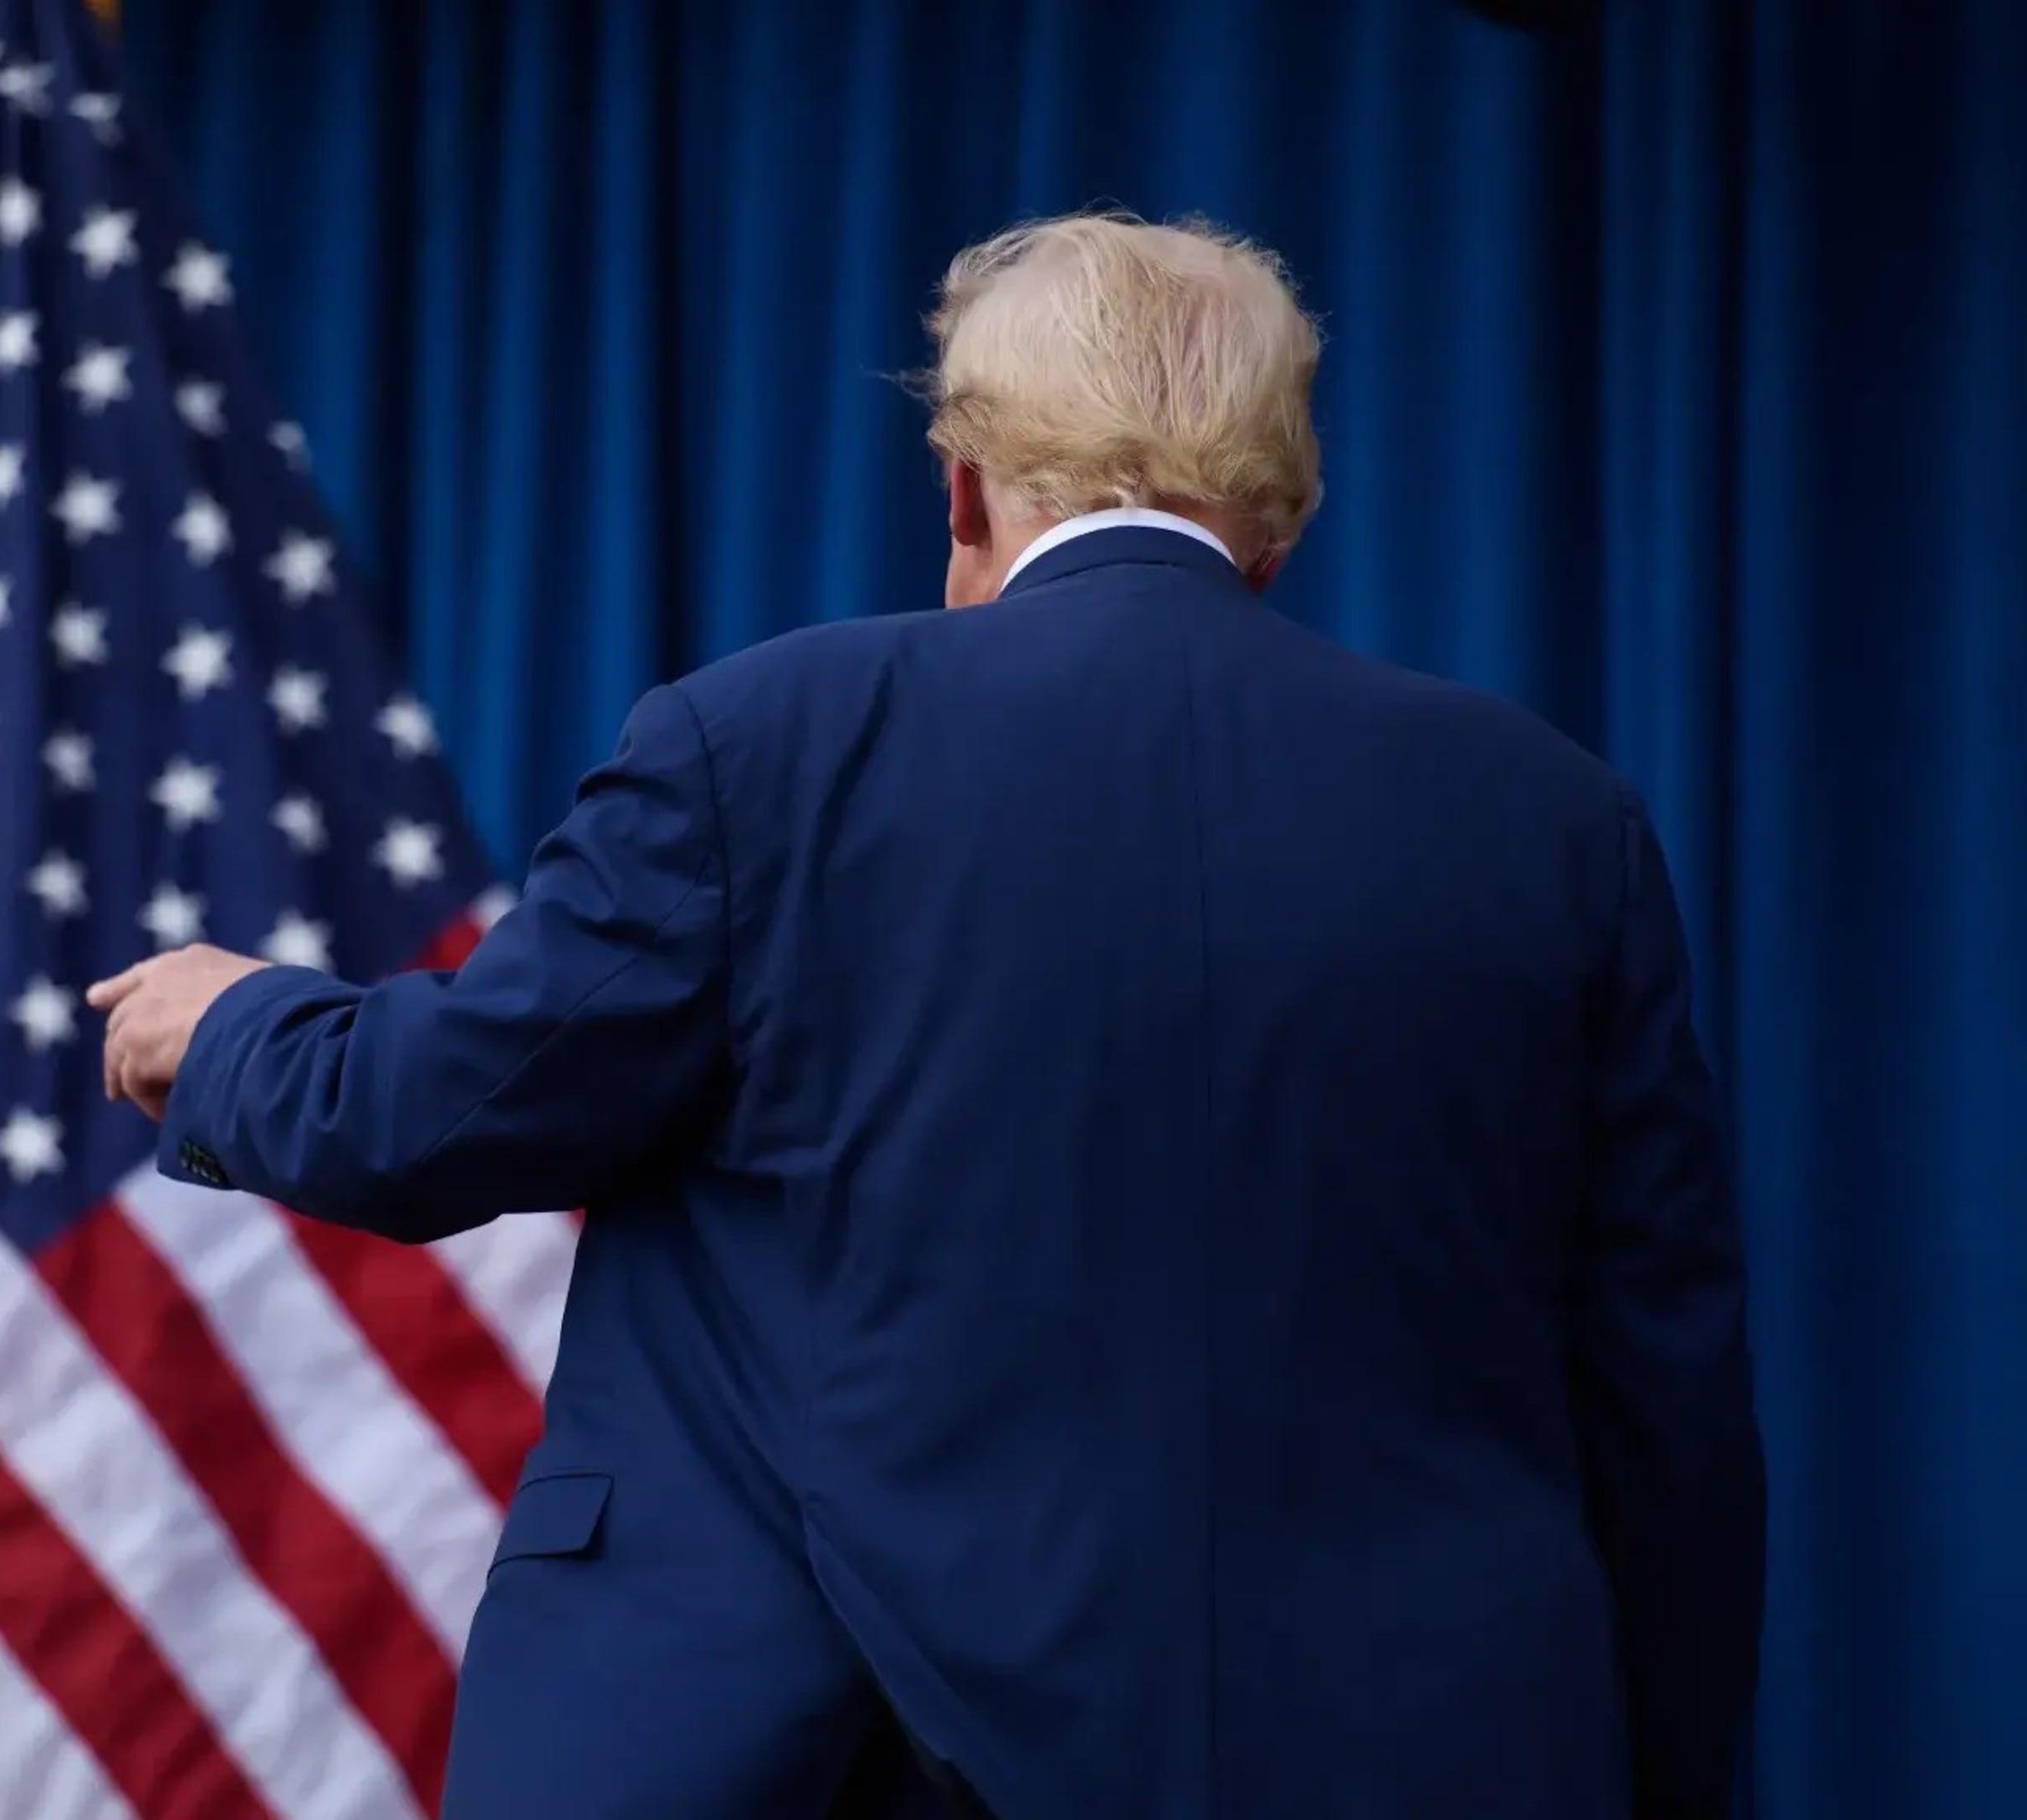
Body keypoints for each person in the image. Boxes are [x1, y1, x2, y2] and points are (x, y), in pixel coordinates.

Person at [90, 210, 1767, 1820]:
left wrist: (236, 1030)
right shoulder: (1553, 822)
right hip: (1423, 1752)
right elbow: (1663, 1393)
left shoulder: (763, 745)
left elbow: (448, 1111)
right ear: (1281, 521)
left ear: (962, 486)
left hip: (830, 1755)